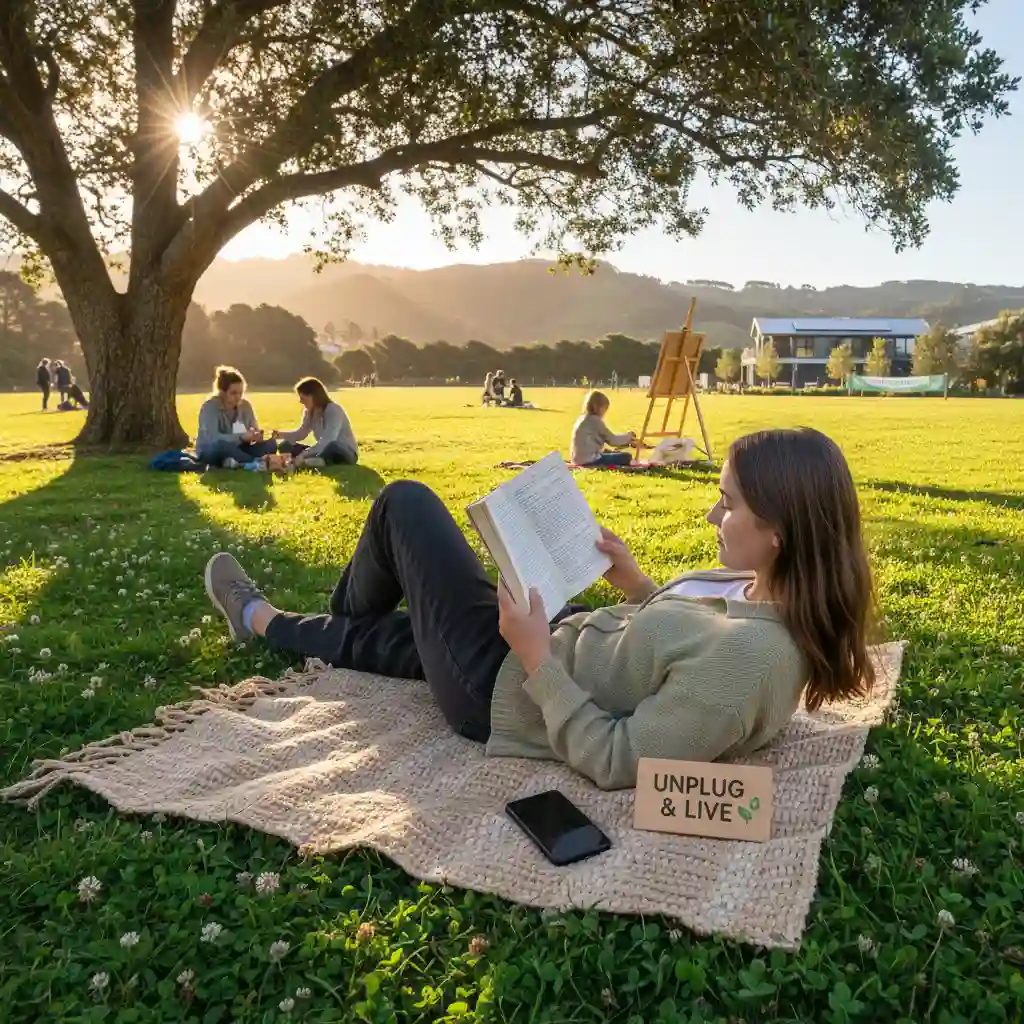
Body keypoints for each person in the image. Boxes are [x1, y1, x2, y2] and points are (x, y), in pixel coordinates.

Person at [203, 428, 876, 791]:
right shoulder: (760, 587)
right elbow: (681, 652)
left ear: (780, 532)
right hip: (557, 640)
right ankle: (264, 621)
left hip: (505, 683)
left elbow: (618, 761)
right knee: (407, 640)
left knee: (404, 505)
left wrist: (532, 655)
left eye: (728, 503)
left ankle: (332, 611)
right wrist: (638, 587)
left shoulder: (749, 670)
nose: (711, 512)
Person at [195, 366, 276, 468]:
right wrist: (241, 437)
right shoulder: (210, 407)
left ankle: (236, 462)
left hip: (241, 447)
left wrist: (256, 436)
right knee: (223, 446)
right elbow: (213, 438)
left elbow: (253, 428)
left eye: (241, 393)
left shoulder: (245, 406)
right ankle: (256, 461)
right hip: (213, 450)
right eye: (233, 393)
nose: (238, 397)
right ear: (222, 392)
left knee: (271, 444)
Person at [272, 377, 358, 467]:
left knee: (332, 446)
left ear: (313, 396)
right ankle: (313, 461)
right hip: (322, 450)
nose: (300, 401)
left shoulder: (333, 410)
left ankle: (308, 462)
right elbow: (301, 434)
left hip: (344, 452)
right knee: (285, 445)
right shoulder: (309, 411)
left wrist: (304, 454)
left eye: (303, 398)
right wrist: (280, 434)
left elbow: (328, 440)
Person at [571, 390, 635, 467]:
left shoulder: (582, 418)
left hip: (576, 459)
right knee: (627, 457)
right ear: (599, 407)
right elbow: (612, 440)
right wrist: (629, 436)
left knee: (608, 452)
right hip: (589, 460)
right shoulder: (595, 421)